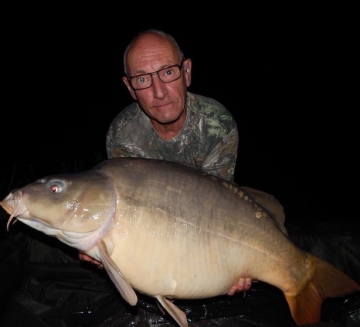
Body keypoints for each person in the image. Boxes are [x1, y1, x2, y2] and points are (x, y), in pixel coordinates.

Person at [80, 29, 285, 295]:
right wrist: (103, 249)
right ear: (130, 88)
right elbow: (128, 214)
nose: (159, 92)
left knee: (273, 214)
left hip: (206, 216)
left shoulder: (216, 122)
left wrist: (232, 263)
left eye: (167, 72)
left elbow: (220, 203)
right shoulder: (122, 132)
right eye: (142, 79)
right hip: (155, 223)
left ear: (186, 72)